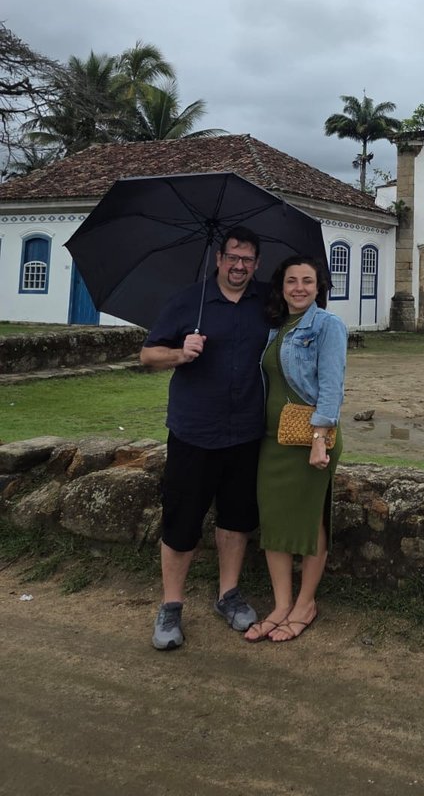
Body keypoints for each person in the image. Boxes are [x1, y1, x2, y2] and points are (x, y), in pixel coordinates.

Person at [140, 227, 270, 651]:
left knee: (236, 520)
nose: (239, 266)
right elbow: (148, 355)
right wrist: (181, 353)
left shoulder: (265, 303)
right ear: (218, 258)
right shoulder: (188, 301)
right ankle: (171, 605)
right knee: (181, 522)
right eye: (233, 257)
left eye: (247, 260)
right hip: (193, 432)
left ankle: (228, 595)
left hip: (246, 432)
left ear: (257, 264)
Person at [244, 254, 347, 643]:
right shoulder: (275, 327)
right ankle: (281, 605)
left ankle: (305, 604)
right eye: (292, 281)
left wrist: (319, 439)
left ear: (319, 286)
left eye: (308, 281)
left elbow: (332, 386)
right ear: (281, 286)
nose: (299, 288)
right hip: (273, 439)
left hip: (310, 441)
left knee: (308, 522)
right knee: (274, 521)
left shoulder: (327, 325)